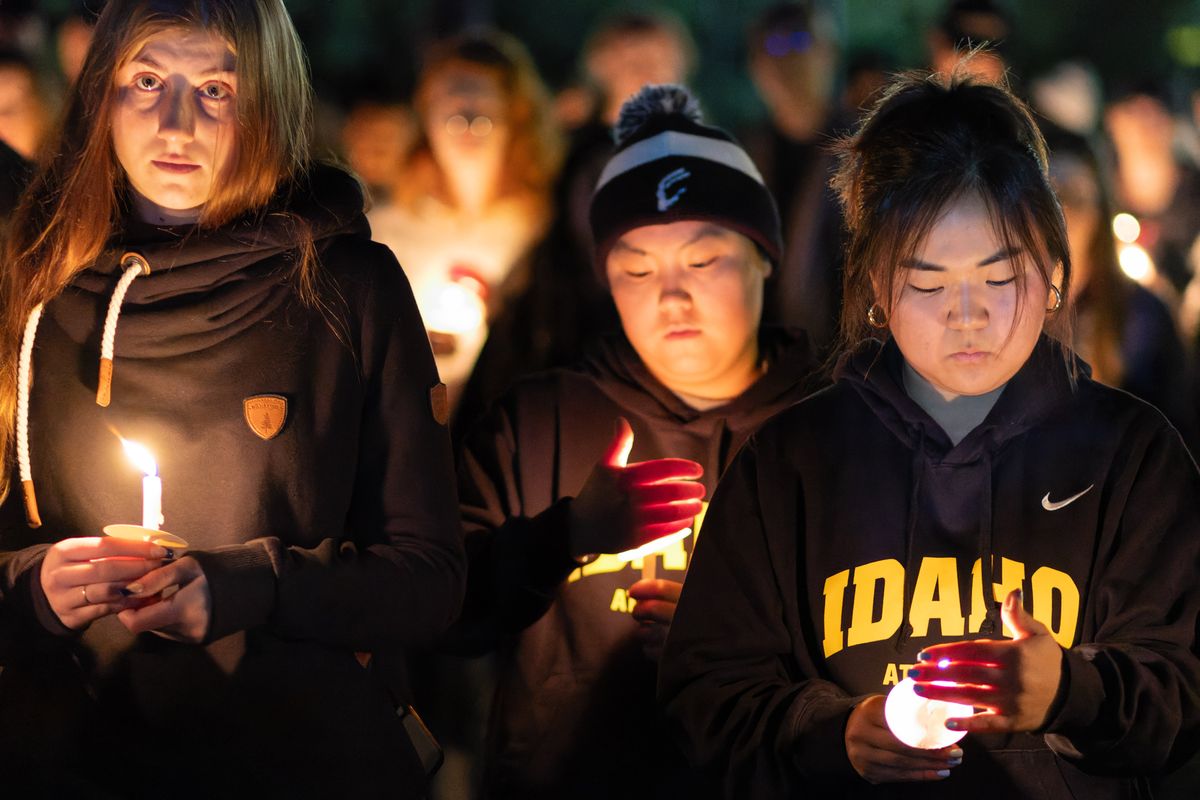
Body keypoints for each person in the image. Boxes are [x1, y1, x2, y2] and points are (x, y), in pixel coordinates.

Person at [660, 73, 1200, 798]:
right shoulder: (793, 462)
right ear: (878, 289)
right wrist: (835, 731)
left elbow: (1185, 688)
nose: (966, 314)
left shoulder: (1132, 456)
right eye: (927, 282)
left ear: (1054, 280)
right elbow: (703, 695)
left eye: (998, 277)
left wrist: (1075, 691)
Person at [0, 1, 464, 796]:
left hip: (298, 759)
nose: (175, 123)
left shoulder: (350, 288)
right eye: (146, 80)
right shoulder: (33, 287)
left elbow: (430, 579)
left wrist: (256, 587)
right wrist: (29, 587)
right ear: (99, 93)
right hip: (82, 755)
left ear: (269, 105)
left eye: (216, 89)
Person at [452, 85, 817, 799]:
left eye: (704, 261)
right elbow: (441, 610)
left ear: (764, 258)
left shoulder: (829, 431)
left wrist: (730, 633)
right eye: (638, 270)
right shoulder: (542, 423)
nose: (671, 297)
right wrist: (565, 535)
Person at [368, 30, 562, 409]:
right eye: (454, 116)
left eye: (483, 116)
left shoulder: (543, 227)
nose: (468, 128)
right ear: (426, 118)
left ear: (516, 119)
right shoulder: (388, 230)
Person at [1044, 124, 1197, 450]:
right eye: (1049, 200)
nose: (1062, 217)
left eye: (1074, 198)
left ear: (1098, 210)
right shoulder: (1008, 311)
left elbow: (1176, 428)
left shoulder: (1142, 316)